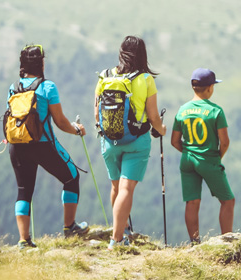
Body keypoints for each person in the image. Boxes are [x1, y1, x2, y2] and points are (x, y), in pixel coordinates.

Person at [8, 44, 89, 249]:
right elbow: (61, 122)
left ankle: (24, 241)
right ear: (41, 63)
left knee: (24, 191)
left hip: (17, 145)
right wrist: (77, 129)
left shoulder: (14, 87)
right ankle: (69, 228)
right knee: (71, 177)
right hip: (43, 145)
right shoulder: (48, 87)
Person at [94, 36, 166, 250]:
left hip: (109, 141)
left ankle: (122, 230)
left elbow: (96, 113)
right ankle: (116, 240)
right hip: (136, 141)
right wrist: (162, 130)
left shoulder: (104, 76)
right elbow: (153, 117)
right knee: (127, 188)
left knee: (116, 186)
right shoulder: (145, 80)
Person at [171, 68, 235, 245]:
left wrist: (189, 151)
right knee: (228, 201)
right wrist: (216, 157)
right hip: (208, 160)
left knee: (192, 202)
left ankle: (194, 242)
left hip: (187, 160)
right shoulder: (216, 111)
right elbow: (225, 142)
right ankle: (226, 242)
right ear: (209, 88)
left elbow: (174, 141)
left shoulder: (182, 110)